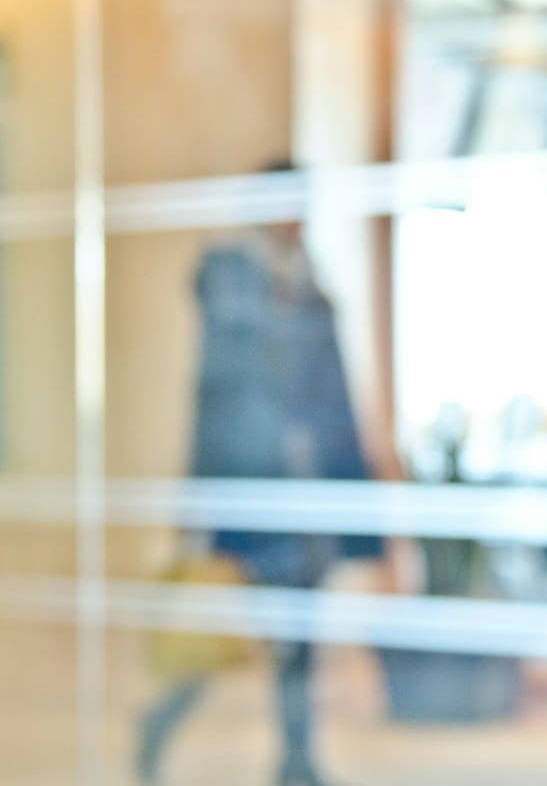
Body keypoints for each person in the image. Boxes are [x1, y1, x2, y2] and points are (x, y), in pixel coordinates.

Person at [137, 161, 378, 786]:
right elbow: (215, 400)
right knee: (220, 631)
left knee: (298, 638)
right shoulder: (233, 281)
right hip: (249, 494)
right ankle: (162, 721)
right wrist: (202, 507)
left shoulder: (311, 289)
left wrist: (357, 504)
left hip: (308, 497)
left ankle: (296, 760)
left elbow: (336, 401)